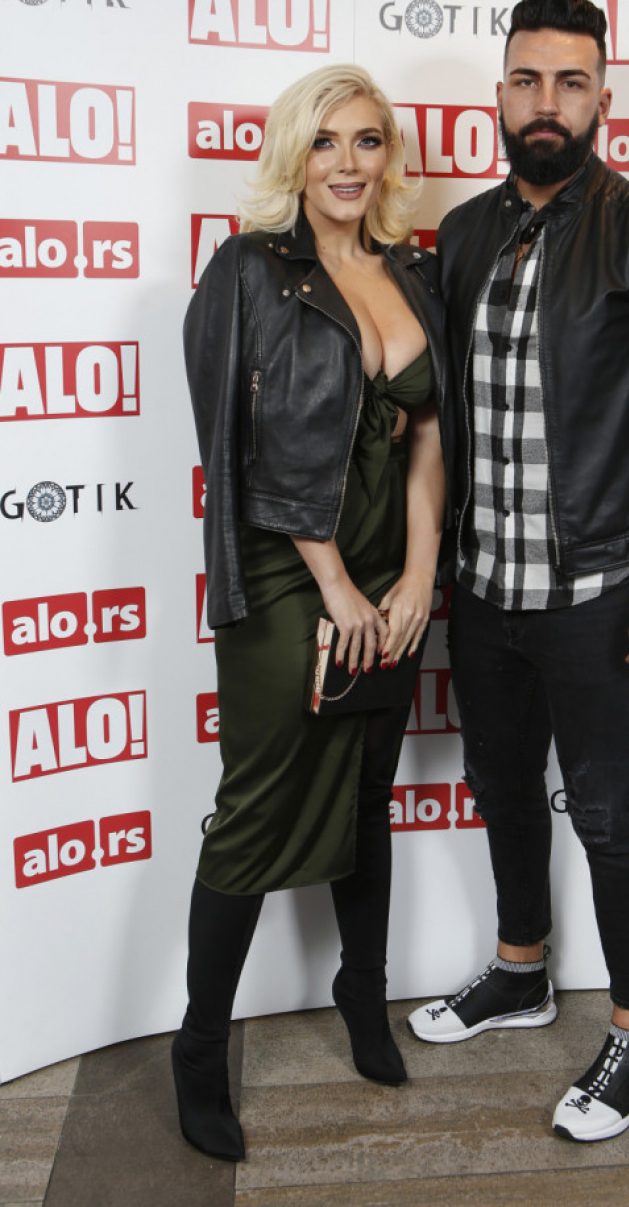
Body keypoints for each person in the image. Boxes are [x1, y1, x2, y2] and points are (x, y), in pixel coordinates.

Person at [407, 0, 629, 1142]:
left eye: (569, 81)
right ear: (499, 94)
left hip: (601, 589)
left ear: (604, 98)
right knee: (503, 788)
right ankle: (521, 970)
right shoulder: (464, 232)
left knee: (608, 815)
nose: (544, 101)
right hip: (484, 586)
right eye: (526, 79)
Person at [179, 64, 451, 1161]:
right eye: (326, 141)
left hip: (389, 568)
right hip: (289, 570)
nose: (348, 163)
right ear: (295, 154)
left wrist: (419, 574)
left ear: (390, 156)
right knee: (257, 802)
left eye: (368, 140)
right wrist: (334, 582)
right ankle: (200, 1045)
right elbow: (236, 448)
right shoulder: (248, 271)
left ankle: (361, 990)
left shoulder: (413, 273)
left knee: (366, 788)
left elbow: (429, 434)